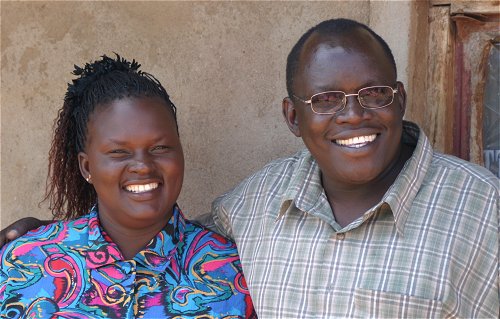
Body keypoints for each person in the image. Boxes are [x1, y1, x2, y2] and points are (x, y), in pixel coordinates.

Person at [2, 18, 499, 318]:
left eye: (374, 93)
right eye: (327, 99)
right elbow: (139, 227)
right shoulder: (258, 205)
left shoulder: (482, 208)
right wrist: (48, 241)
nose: (353, 115)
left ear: (401, 98)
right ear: (293, 116)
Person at [0, 54, 256, 318]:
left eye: (160, 148)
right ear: (87, 167)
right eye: (119, 152)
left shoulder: (236, 271)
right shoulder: (24, 262)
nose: (143, 166)